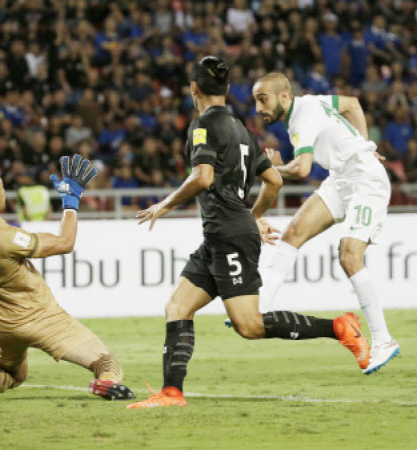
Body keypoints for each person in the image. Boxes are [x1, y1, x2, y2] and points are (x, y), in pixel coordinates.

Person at [127, 57, 369, 410]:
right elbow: (273, 179)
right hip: (221, 233)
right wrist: (252, 215)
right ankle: (171, 392)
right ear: (225, 90)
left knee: (250, 325)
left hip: (228, 235)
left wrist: (165, 203)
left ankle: (339, 327)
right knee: (178, 306)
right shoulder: (242, 130)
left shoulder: (201, 126)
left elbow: (203, 177)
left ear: (194, 89)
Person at [0, 155, 135, 402]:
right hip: (39, 318)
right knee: (106, 362)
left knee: (10, 373)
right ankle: (105, 383)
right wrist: (71, 203)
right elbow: (64, 243)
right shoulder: (6, 238)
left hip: (1, 323)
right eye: (1, 187)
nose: (5, 191)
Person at [252, 72, 399, 375]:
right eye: (256, 100)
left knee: (349, 255)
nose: (258, 108)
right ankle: (261, 305)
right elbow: (352, 104)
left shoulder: (302, 117)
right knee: (292, 233)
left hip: (365, 181)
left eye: (262, 99)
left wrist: (273, 167)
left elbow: (303, 169)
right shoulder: (312, 102)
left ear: (284, 96)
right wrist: (365, 142)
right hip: (341, 178)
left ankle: (384, 340)